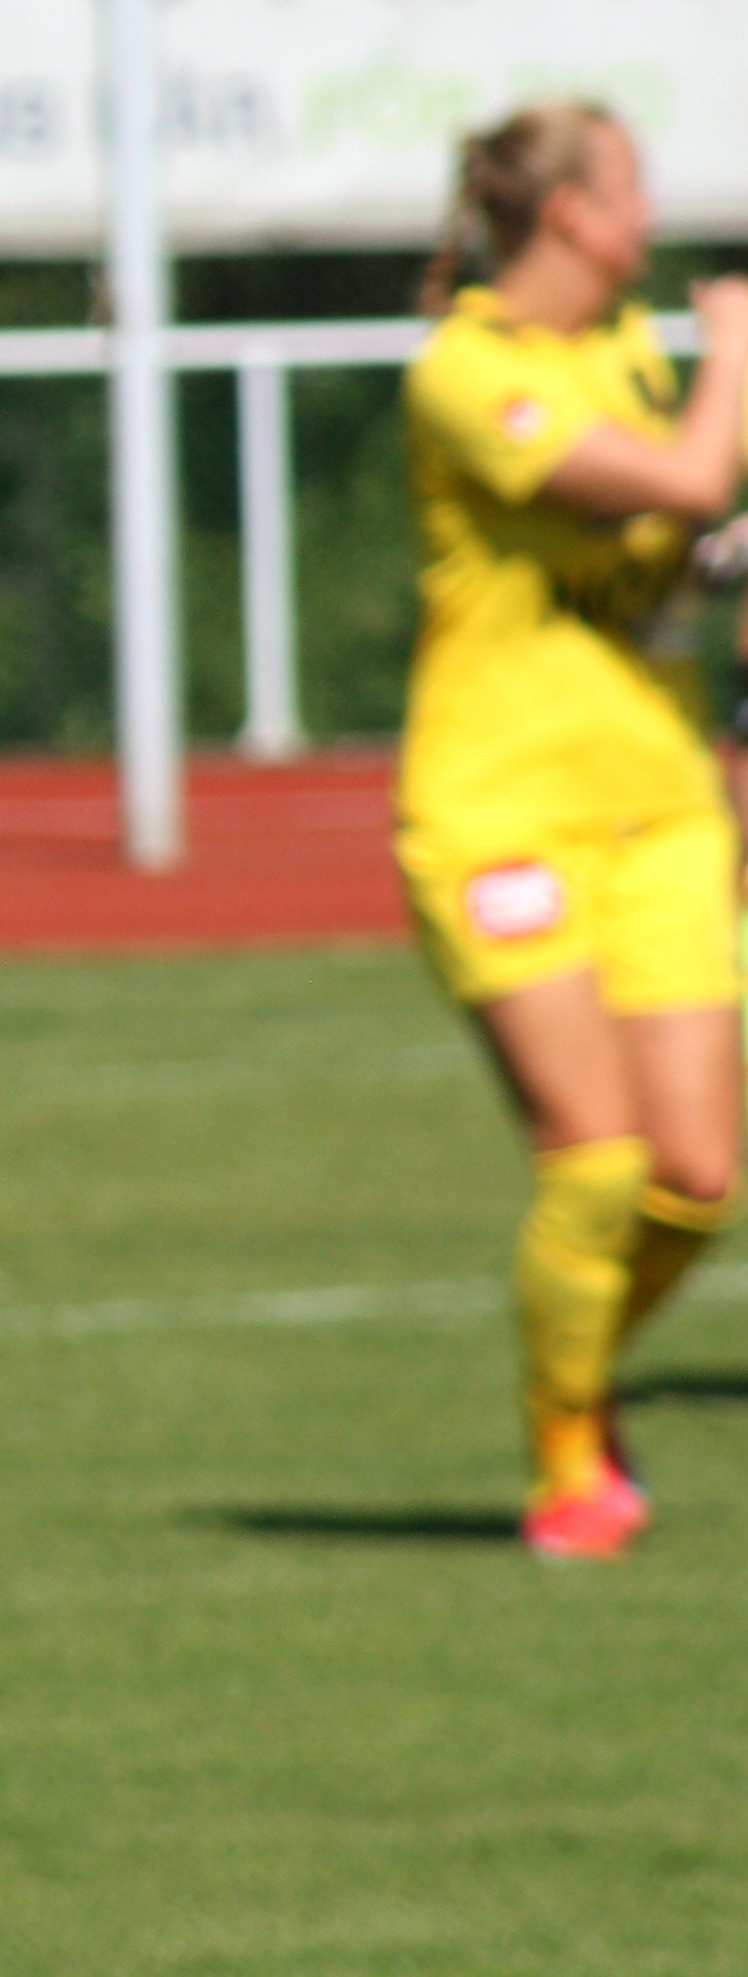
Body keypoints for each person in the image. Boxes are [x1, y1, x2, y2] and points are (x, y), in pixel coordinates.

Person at [397, 99, 748, 1559]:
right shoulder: (466, 372)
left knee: (697, 1180)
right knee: (595, 1161)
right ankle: (565, 1463)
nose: (650, 217)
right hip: (500, 816)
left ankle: (581, 1373)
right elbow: (687, 478)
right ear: (569, 216)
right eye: (631, 190)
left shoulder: (627, 352)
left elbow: (670, 543)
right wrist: (740, 349)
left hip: (662, 804)